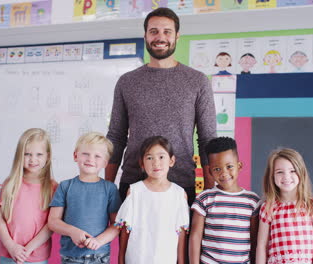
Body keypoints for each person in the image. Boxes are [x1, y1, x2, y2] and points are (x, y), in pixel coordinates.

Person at [106, 7, 217, 204]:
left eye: (167, 31)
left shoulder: (198, 81)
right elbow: (116, 136)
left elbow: (207, 139)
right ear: (145, 36)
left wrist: (209, 192)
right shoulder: (127, 82)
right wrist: (106, 187)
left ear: (177, 36)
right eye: (154, 31)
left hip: (181, 184)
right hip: (133, 183)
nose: (160, 37)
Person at [48, 132, 121, 264]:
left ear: (105, 163)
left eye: (97, 156)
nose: (90, 159)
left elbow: (117, 224)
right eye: (85, 154)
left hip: (100, 256)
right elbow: (53, 221)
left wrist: (98, 241)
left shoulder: (110, 189)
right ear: (75, 155)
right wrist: (72, 232)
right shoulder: (65, 186)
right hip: (70, 257)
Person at [115, 136, 189, 263]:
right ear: (142, 164)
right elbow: (125, 229)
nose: (155, 162)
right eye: (149, 158)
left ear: (171, 161)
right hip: (137, 258)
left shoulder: (179, 194)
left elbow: (181, 232)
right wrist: (121, 259)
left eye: (161, 157)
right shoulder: (135, 191)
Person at [190, 137, 260, 264]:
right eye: (217, 169)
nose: (224, 173)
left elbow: (254, 239)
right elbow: (195, 237)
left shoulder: (252, 201)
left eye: (229, 166)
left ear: (239, 166)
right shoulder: (205, 198)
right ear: (210, 172)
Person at [0, 128, 57, 264]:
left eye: (39, 154)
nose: (33, 159)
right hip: (9, 254)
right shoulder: (10, 183)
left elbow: (50, 225)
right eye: (27, 154)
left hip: (36, 257)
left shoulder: (53, 187)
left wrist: (28, 250)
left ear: (47, 156)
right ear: (19, 155)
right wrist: (11, 246)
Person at [256, 148, 313, 264]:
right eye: (279, 172)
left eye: (292, 171)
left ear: (301, 172)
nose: (286, 177)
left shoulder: (311, 205)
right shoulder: (268, 208)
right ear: (272, 176)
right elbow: (262, 246)